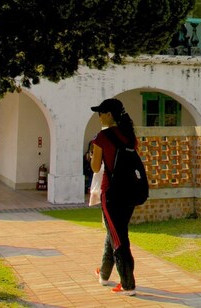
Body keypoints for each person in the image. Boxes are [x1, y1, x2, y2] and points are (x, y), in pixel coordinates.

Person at [89, 98, 138, 296]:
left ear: (109, 114)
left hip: (111, 194)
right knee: (115, 232)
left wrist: (92, 155)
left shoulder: (102, 137)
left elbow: (95, 167)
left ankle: (128, 284)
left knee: (119, 239)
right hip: (130, 192)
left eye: (100, 113)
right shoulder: (130, 136)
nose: (99, 116)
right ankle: (104, 274)